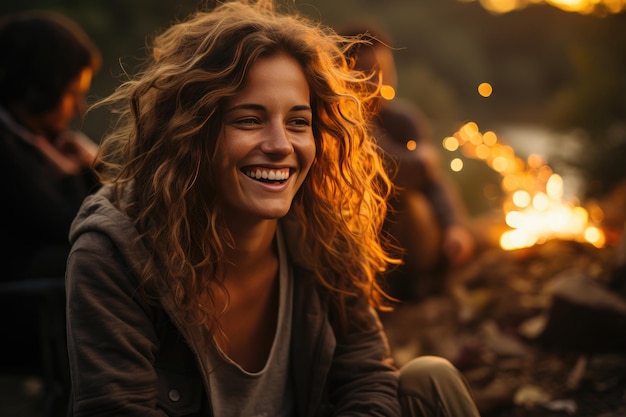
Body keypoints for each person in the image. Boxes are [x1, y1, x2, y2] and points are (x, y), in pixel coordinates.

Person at [65, 1, 482, 416]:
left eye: (298, 122)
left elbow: (366, 376)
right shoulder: (116, 253)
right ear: (192, 132)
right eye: (249, 120)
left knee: (430, 380)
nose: (281, 145)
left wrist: (452, 221)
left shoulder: (325, 230)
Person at [0, 10, 101, 414]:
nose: (79, 108)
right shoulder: (8, 152)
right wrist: (76, 173)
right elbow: (70, 226)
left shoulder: (46, 145)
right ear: (37, 87)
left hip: (56, 305)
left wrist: (90, 167)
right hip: (24, 312)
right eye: (72, 92)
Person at [340, 24, 477, 301]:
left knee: (417, 205)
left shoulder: (403, 120)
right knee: (405, 203)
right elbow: (391, 165)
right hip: (358, 250)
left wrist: (454, 226)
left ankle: (428, 279)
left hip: (408, 253)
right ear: (344, 73)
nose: (382, 83)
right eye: (369, 73)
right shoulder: (341, 120)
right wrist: (421, 163)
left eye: (387, 72)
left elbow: (433, 181)